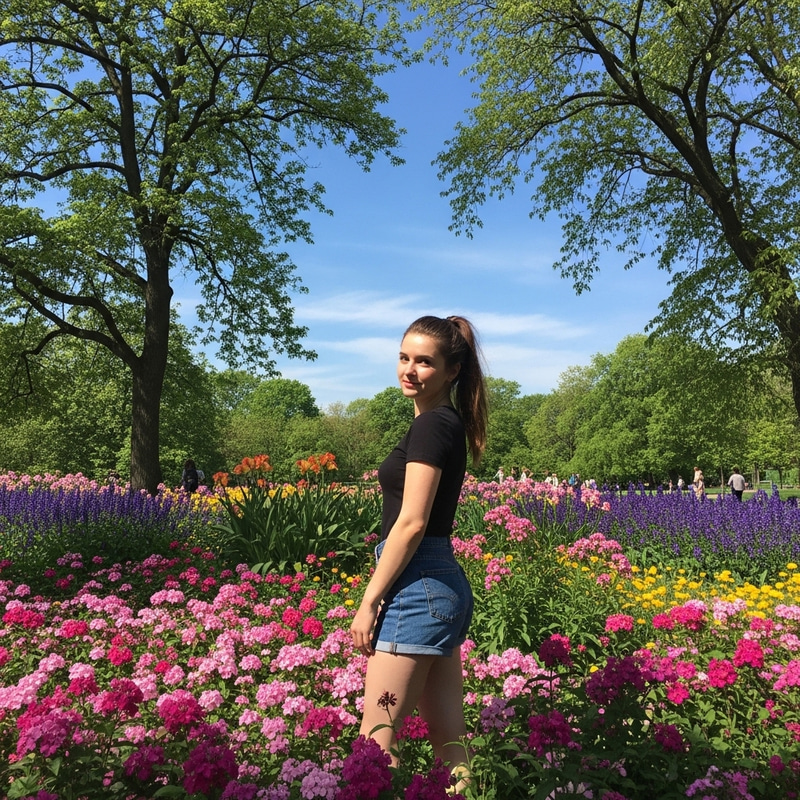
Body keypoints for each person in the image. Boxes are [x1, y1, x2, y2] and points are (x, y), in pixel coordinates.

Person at [350, 315, 488, 791]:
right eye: (404, 357)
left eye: (424, 361)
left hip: (416, 587)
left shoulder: (432, 426)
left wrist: (369, 601)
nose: (409, 370)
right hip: (438, 587)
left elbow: (411, 523)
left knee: (376, 741)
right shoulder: (444, 423)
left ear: (452, 370)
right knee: (451, 742)